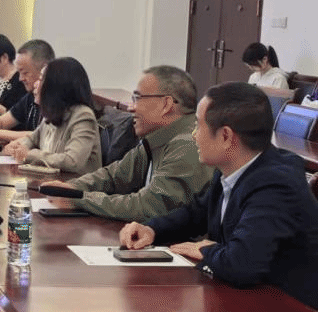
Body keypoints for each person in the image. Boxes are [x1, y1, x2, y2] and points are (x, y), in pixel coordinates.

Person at [120, 82, 318, 310]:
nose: (194, 135)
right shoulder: (233, 168)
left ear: (225, 136)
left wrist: (205, 250)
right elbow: (196, 213)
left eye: (198, 125)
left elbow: (242, 264)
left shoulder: (276, 184)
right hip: (244, 302)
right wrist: (152, 230)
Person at [43, 66, 214, 221]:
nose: (131, 107)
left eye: (137, 98)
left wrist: (80, 199)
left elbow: (146, 206)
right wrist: (70, 188)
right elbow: (114, 176)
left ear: (166, 104)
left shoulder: (187, 145)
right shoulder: (156, 139)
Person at [3, 56, 102, 175]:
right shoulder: (53, 112)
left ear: (55, 86)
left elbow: (72, 161)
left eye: (41, 79)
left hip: (73, 183)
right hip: (49, 180)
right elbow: (32, 139)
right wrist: (17, 147)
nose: (36, 84)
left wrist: (29, 154)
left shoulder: (83, 116)